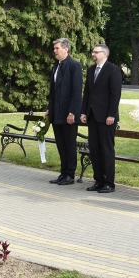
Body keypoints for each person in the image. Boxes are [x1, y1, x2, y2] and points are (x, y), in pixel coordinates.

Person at [80, 44, 122, 193]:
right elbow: (87, 94)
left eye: (96, 52)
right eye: (93, 52)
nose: (93, 54)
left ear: (105, 54)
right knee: (95, 149)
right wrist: (84, 112)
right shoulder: (91, 70)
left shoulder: (113, 70)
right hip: (92, 116)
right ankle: (99, 180)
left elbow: (115, 94)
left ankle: (109, 182)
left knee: (106, 150)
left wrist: (111, 114)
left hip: (106, 118)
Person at [46, 38, 82, 186]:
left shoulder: (74, 66)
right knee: (61, 144)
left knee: (69, 144)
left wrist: (72, 112)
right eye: (54, 48)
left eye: (57, 48)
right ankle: (63, 173)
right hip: (56, 112)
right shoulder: (56, 66)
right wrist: (49, 109)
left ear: (66, 49)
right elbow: (53, 92)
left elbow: (76, 91)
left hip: (68, 114)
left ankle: (70, 174)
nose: (54, 51)